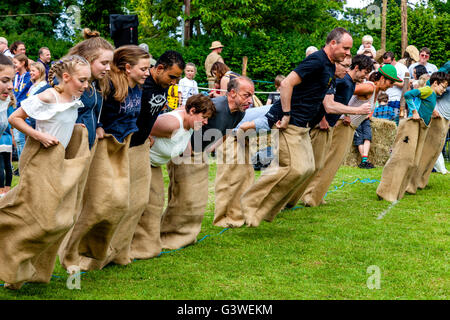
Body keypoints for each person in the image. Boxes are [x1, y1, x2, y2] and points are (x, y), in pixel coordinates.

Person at [240, 27, 353, 227]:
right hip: (289, 123)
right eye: (345, 48)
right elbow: (286, 84)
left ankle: (268, 210)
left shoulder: (328, 66)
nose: (347, 54)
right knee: (295, 168)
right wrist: (285, 114)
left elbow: (322, 101)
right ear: (333, 43)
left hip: (303, 126)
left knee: (308, 168)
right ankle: (251, 204)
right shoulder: (317, 60)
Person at [1, 55, 91, 290]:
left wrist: (73, 127)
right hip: (40, 162)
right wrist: (40, 136)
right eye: (82, 80)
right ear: (67, 77)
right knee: (41, 219)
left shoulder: (73, 99)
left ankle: (21, 272)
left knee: (56, 221)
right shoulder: (48, 96)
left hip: (57, 163)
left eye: (87, 81)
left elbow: (58, 123)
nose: (86, 85)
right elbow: (15, 118)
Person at [160, 76, 254, 249]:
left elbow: (226, 132)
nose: (250, 100)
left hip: (199, 154)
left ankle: (185, 235)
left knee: (196, 198)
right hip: (184, 152)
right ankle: (167, 235)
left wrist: (209, 149)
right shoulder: (216, 106)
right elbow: (186, 113)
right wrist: (186, 150)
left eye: (251, 96)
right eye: (246, 95)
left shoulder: (240, 113)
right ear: (232, 93)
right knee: (183, 196)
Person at [130, 94, 216, 259]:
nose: (206, 122)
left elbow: (186, 147)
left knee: (155, 204)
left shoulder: (190, 124)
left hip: (154, 165)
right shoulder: (171, 124)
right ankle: (123, 245)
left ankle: (142, 246)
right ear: (192, 111)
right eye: (204, 117)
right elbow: (138, 124)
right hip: (138, 162)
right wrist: (146, 135)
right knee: (138, 204)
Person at [377, 71, 448, 202]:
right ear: (436, 83)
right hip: (413, 126)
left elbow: (425, 103)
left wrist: (432, 111)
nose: (444, 90)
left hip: (422, 128)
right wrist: (414, 111)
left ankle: (403, 188)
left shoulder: (431, 94)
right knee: (403, 157)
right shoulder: (427, 90)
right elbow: (408, 94)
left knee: (414, 161)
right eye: (443, 87)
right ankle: (386, 190)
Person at [130, 50, 185, 148]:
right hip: (126, 143)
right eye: (171, 77)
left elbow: (151, 114)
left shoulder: (164, 83)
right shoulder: (141, 82)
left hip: (142, 143)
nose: (174, 82)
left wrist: (148, 134)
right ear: (160, 68)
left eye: (177, 78)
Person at [12, 54, 32, 163]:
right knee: (18, 140)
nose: (13, 65)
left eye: (15, 63)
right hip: (15, 110)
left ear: (23, 63)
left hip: (24, 111)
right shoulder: (14, 77)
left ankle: (24, 164)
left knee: (23, 139)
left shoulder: (29, 77)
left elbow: (24, 94)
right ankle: (21, 165)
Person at [382, 51, 409, 124]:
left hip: (396, 99)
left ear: (394, 60)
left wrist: (392, 81)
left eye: (388, 63)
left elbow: (406, 84)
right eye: (385, 63)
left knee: (394, 122)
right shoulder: (384, 67)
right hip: (384, 99)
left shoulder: (402, 68)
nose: (386, 65)